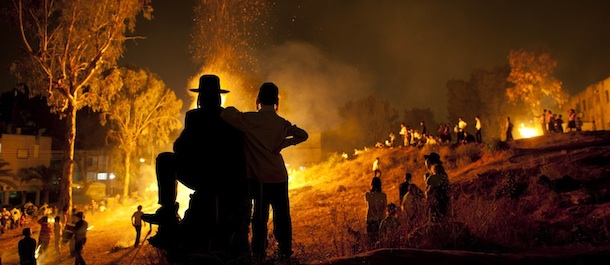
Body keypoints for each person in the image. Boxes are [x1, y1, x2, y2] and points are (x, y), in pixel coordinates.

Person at [142, 74, 249, 263]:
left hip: (200, 177)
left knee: (164, 160)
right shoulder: (231, 118)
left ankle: (167, 211)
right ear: (218, 97)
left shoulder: (194, 116)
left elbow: (180, 146)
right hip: (225, 179)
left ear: (201, 97)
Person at [221, 82, 308, 263]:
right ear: (276, 101)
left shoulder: (249, 120)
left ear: (258, 99)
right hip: (279, 176)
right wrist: (283, 144)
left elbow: (226, 114)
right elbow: (302, 135)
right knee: (282, 216)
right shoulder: (281, 122)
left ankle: (258, 255)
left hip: (259, 178)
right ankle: (284, 253)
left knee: (260, 217)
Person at [365, 176, 387, 244]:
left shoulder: (368, 195)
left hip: (370, 219)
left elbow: (368, 205)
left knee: (371, 239)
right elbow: (384, 207)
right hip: (380, 218)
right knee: (380, 238)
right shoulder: (383, 195)